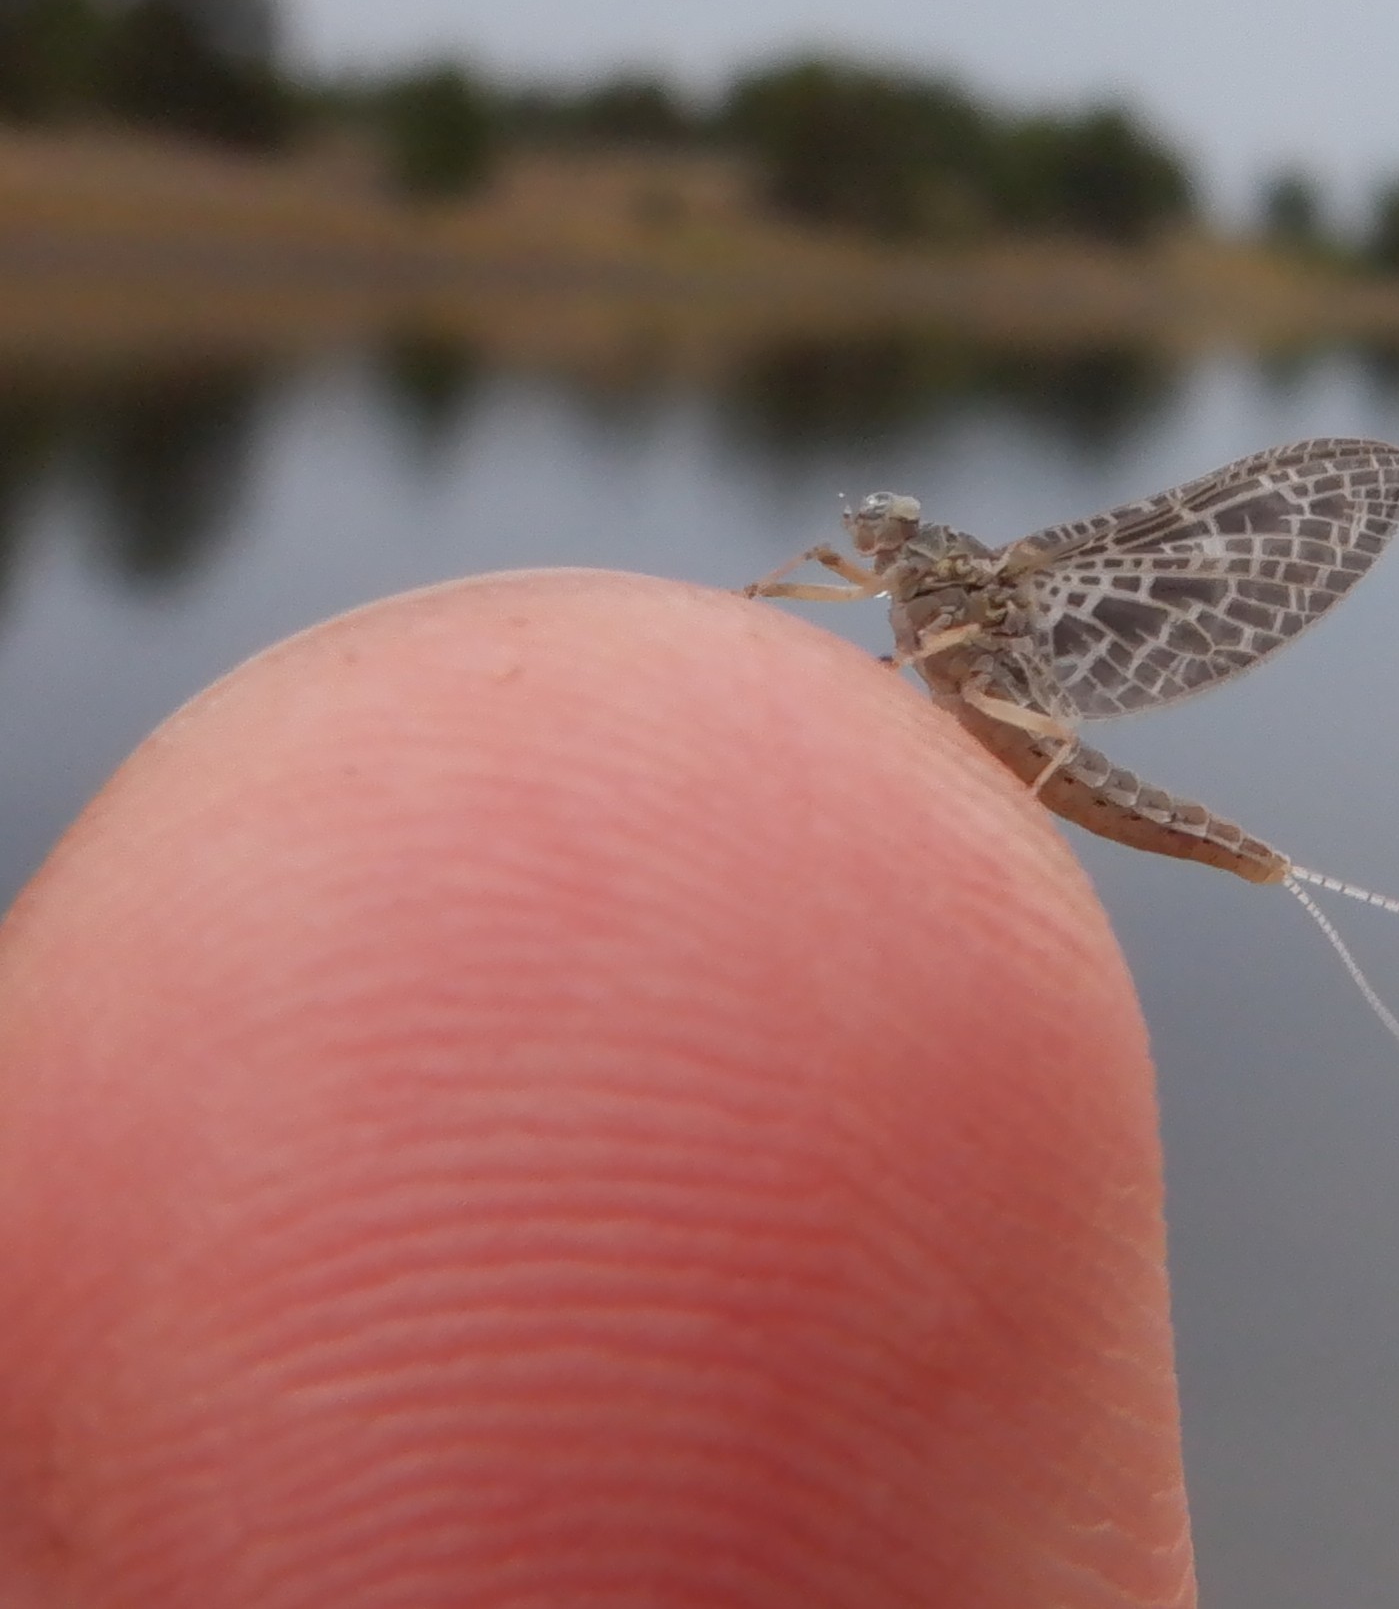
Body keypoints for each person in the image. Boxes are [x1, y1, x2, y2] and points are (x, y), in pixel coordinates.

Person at [0, 572, 1196, 1606]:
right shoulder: (904, 589)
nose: (871, 543)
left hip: (1030, 753)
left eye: (887, 535)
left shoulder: (967, 603)